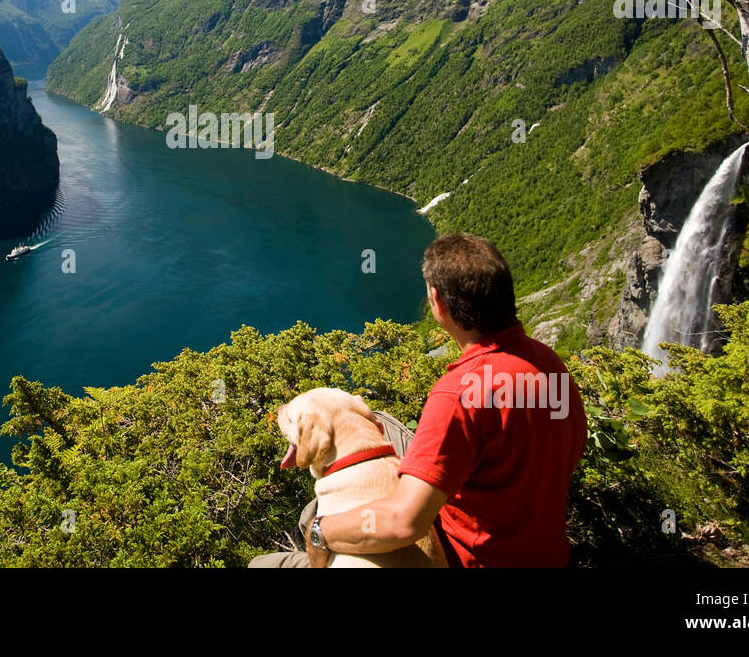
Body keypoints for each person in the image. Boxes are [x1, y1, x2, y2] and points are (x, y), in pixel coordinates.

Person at [250, 232, 586, 568]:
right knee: (371, 418)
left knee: (266, 560)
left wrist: (320, 532)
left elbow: (404, 523)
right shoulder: (550, 365)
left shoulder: (459, 395)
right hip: (548, 555)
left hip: (468, 559)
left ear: (438, 302)